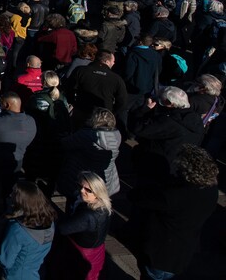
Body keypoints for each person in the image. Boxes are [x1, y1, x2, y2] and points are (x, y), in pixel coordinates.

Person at [130, 144, 220, 280]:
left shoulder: (173, 196)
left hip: (162, 255)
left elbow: (137, 197)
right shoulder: (211, 189)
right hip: (185, 250)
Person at [51, 172, 111, 280]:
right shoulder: (104, 206)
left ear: (98, 192)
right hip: (97, 251)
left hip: (82, 254)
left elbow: (63, 229)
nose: (82, 191)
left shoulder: (87, 215)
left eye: (88, 190)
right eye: (80, 186)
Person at [58, 108, 122, 205]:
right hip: (105, 181)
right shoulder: (116, 135)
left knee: (75, 204)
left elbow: (65, 144)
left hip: (83, 178)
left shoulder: (87, 135)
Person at [0, 181, 56, 280]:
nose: (10, 195)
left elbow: (5, 260)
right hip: (34, 272)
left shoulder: (18, 229)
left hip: (15, 275)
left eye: (14, 193)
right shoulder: (49, 221)